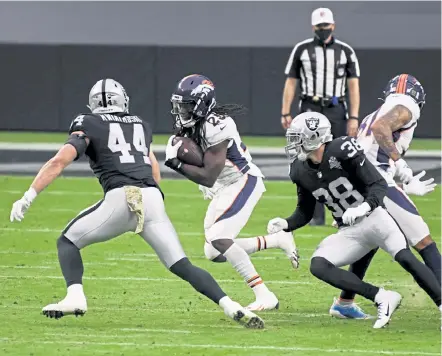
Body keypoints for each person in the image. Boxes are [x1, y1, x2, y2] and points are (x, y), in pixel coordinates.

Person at [9, 78, 264, 329]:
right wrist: (154, 206)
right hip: (151, 198)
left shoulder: (87, 122)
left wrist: (29, 195)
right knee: (182, 265)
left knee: (67, 241)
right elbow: (153, 168)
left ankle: (75, 297)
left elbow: (59, 161)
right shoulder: (139, 124)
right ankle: (231, 305)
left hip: (121, 197)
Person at [267, 112, 441, 328]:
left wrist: (364, 207)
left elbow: (378, 184)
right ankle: (382, 297)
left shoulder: (342, 149)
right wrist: (285, 224)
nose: (293, 143)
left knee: (406, 258)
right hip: (350, 232)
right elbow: (305, 211)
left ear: (315, 137)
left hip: (376, 218)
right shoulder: (300, 170)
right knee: (318, 265)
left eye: (298, 137)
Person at [164, 74, 299, 311]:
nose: (181, 112)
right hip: (223, 186)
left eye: (186, 106)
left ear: (202, 104)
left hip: (242, 181)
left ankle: (264, 294)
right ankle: (276, 240)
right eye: (179, 106)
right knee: (213, 252)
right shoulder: (192, 123)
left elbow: (208, 175)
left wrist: (176, 163)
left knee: (218, 237)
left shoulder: (219, 125)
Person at [328, 74, 441, 319]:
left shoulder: (377, 111)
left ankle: (344, 302)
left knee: (371, 238)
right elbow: (382, 130)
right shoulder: (407, 106)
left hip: (360, 183)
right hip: (377, 183)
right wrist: (400, 167)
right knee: (424, 241)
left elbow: (367, 150)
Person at [281, 7, 361, 226]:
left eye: (326, 26)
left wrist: (353, 117)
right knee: (309, 158)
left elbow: (353, 86)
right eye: (319, 26)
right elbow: (291, 81)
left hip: (336, 108)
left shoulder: (345, 51)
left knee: (341, 157)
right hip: (310, 106)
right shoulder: (302, 49)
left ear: (333, 26)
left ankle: (351, 207)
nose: (323, 29)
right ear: (313, 27)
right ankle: (315, 215)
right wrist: (285, 111)